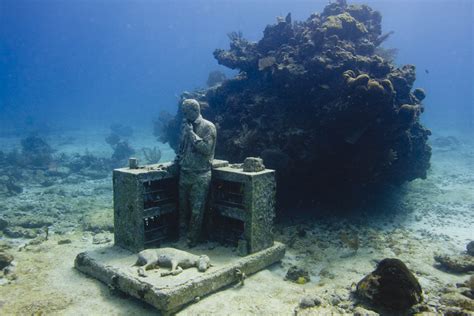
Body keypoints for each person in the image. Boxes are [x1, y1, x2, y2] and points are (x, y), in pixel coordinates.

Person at [175, 99, 216, 247]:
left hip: (201, 175)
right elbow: (182, 148)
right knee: (182, 208)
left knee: (197, 210)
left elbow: (206, 149)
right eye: (183, 112)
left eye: (186, 112)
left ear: (195, 110)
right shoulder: (186, 126)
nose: (184, 115)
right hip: (185, 172)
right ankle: (182, 238)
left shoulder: (208, 127)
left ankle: (192, 241)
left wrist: (191, 134)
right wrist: (177, 162)